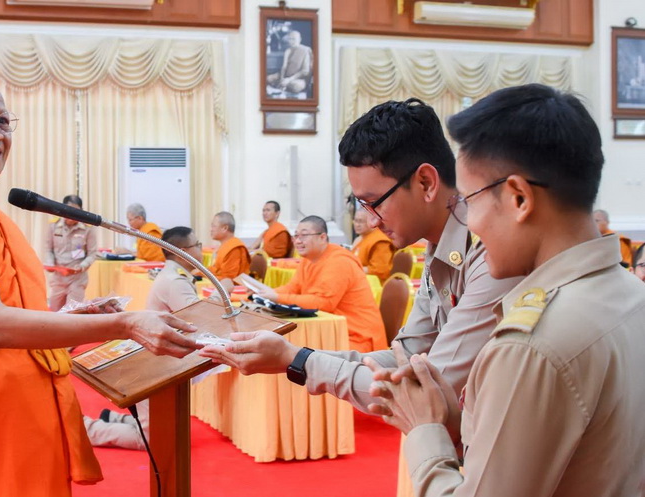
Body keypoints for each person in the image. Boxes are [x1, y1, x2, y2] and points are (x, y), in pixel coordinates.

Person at [0, 74, 199, 496]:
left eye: (2, 121)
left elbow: (14, 314)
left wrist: (73, 318)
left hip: (25, 412)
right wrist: (125, 324)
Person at [368, 83, 645, 497]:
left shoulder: (531, 345)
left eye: (471, 200)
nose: (470, 222)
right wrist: (460, 423)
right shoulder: (631, 294)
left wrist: (425, 430)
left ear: (518, 198)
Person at [200, 97, 519, 424]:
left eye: (374, 202)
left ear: (426, 182)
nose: (372, 220)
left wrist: (295, 359)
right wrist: (293, 357)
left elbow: (429, 393)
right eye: (362, 207)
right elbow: (407, 356)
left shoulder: (491, 252)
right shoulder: (439, 247)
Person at [84, 226, 205, 450]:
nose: (201, 249)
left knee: (168, 430)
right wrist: (222, 293)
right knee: (153, 441)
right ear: (181, 252)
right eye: (197, 245)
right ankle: (86, 429)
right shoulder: (176, 281)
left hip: (158, 360)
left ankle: (118, 419)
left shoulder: (174, 274)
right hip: (154, 365)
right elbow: (199, 318)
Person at [255, 215, 385, 352]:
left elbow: (323, 303)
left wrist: (277, 297)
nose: (298, 241)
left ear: (322, 237)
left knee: (284, 350)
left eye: (304, 235)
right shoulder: (309, 259)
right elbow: (293, 288)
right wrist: (264, 293)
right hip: (328, 329)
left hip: (355, 337)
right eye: (296, 236)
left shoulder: (339, 261)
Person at [44, 194, 98, 311]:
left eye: (76, 211)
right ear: (62, 209)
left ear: (81, 211)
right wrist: (50, 263)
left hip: (77, 278)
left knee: (72, 312)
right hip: (58, 278)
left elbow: (92, 253)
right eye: (68, 210)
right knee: (54, 312)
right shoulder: (53, 225)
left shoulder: (88, 227)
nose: (72, 215)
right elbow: (49, 250)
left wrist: (82, 266)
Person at [351, 209, 395, 281]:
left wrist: (353, 269)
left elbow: (380, 270)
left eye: (361, 221)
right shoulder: (359, 238)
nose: (357, 225)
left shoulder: (380, 241)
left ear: (372, 221)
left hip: (374, 284)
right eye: (356, 221)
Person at [266, 30, 312, 95]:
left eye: (294, 39)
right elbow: (284, 67)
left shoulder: (306, 50)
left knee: (295, 86)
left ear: (300, 39)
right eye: (290, 39)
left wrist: (289, 80)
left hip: (298, 79)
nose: (291, 41)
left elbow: (305, 71)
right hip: (285, 76)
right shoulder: (288, 50)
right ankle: (281, 86)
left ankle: (282, 86)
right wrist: (282, 78)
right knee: (268, 78)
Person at [208, 211, 250, 280]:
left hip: (232, 286)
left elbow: (228, 279)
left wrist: (205, 276)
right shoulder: (224, 246)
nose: (211, 229)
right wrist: (201, 272)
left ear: (224, 228)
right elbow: (216, 269)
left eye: (213, 226)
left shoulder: (234, 249)